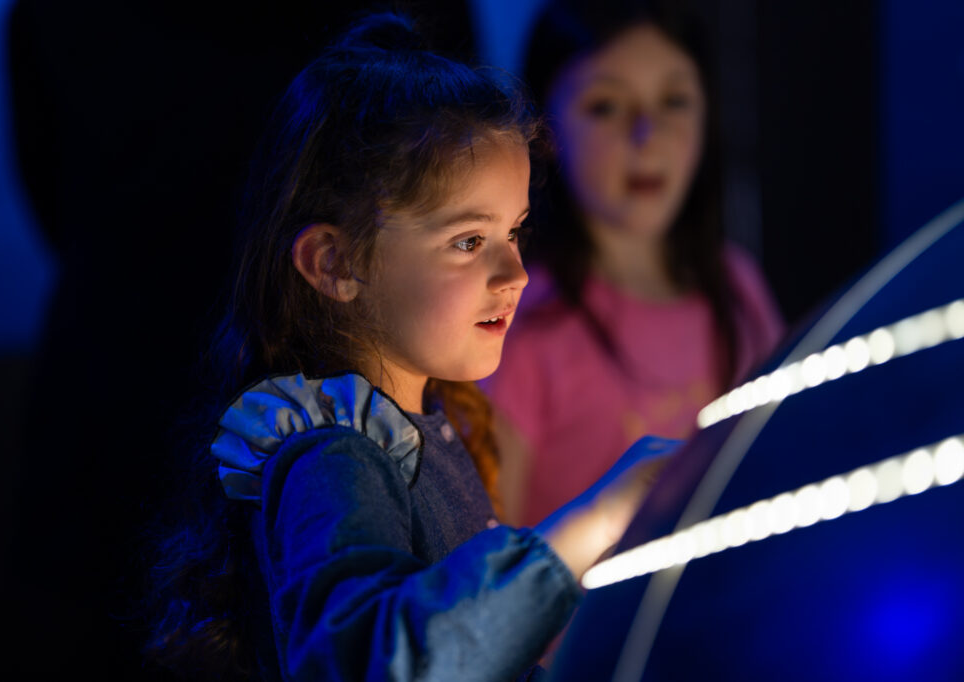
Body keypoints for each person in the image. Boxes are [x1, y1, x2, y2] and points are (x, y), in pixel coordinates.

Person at [145, 13, 673, 682]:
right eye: (468, 241)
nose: (515, 274)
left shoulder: (427, 423)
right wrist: (595, 520)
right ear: (334, 263)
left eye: (514, 232)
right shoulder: (330, 455)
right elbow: (378, 663)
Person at [483, 0, 784, 527]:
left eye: (674, 101)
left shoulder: (737, 285)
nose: (648, 134)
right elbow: (490, 554)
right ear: (544, 131)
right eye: (606, 106)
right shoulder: (519, 322)